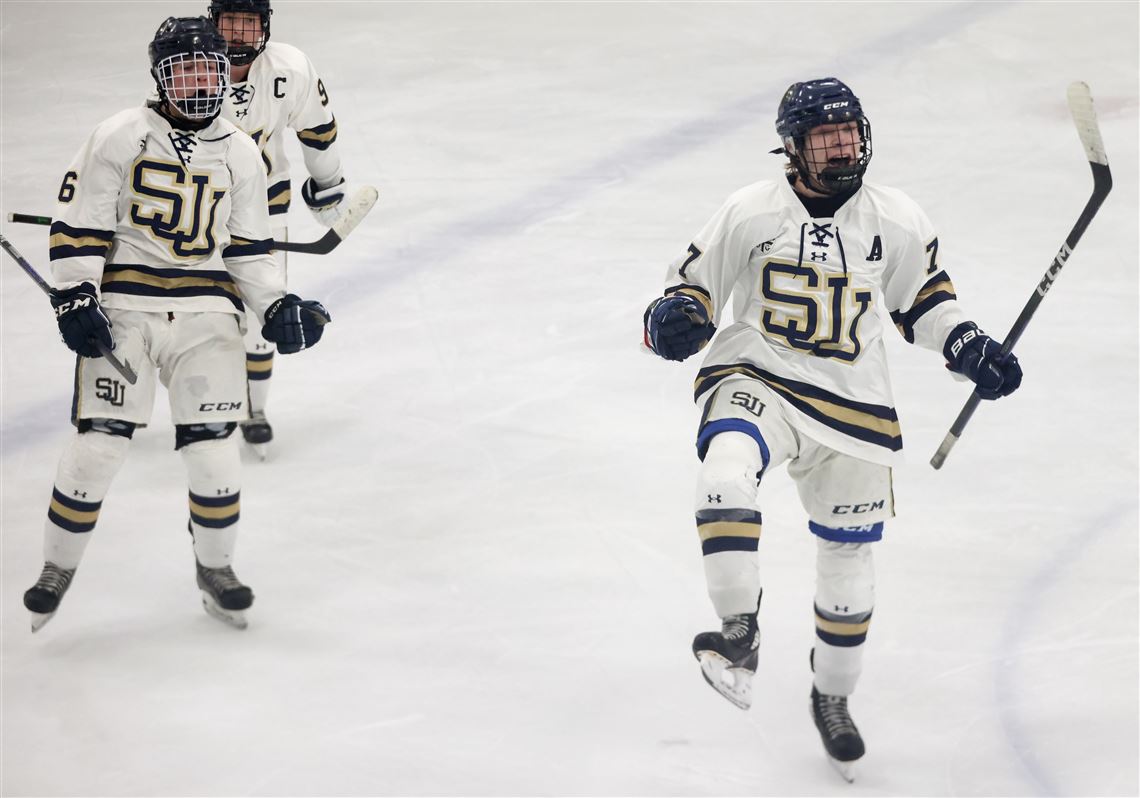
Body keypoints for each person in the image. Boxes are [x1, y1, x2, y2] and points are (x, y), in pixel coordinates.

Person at [641, 77, 1022, 779]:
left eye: (849, 133)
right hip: (760, 378)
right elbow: (690, 285)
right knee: (725, 475)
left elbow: (926, 303)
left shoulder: (897, 219)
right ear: (793, 148)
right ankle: (738, 634)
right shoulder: (751, 211)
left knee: (848, 572)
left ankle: (833, 695)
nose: (843, 147)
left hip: (853, 408)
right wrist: (674, 318)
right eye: (825, 137)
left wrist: (968, 344)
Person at [22, 16, 331, 632]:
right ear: (161, 77)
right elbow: (82, 224)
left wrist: (275, 306)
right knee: (98, 445)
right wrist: (75, 297)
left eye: (206, 68)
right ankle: (57, 568)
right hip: (126, 310)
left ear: (223, 73)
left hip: (205, 313)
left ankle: (216, 570)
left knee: (215, 453)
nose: (197, 81)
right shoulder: (118, 135)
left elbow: (247, 251)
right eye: (183, 68)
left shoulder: (242, 152)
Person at [209, 0, 351, 450]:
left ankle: (254, 408)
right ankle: (203, 407)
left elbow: (318, 129)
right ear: (214, 20)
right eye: (229, 20)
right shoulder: (189, 65)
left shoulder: (289, 68)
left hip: (265, 209)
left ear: (264, 26)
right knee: (197, 318)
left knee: (263, 315)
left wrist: (327, 184)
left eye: (248, 23)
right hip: (200, 213)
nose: (237, 32)